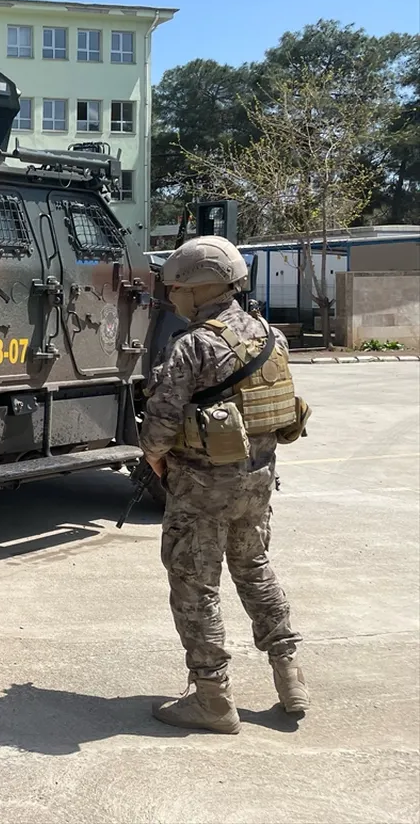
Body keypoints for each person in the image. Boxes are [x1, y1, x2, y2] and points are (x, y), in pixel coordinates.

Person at [140, 235, 312, 734]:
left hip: (202, 486)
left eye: (176, 288)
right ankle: (289, 675)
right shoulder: (270, 335)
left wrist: (154, 457)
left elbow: (159, 426)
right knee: (254, 569)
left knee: (195, 584)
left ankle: (212, 698)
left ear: (200, 289)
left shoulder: (192, 344)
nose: (172, 297)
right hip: (258, 480)